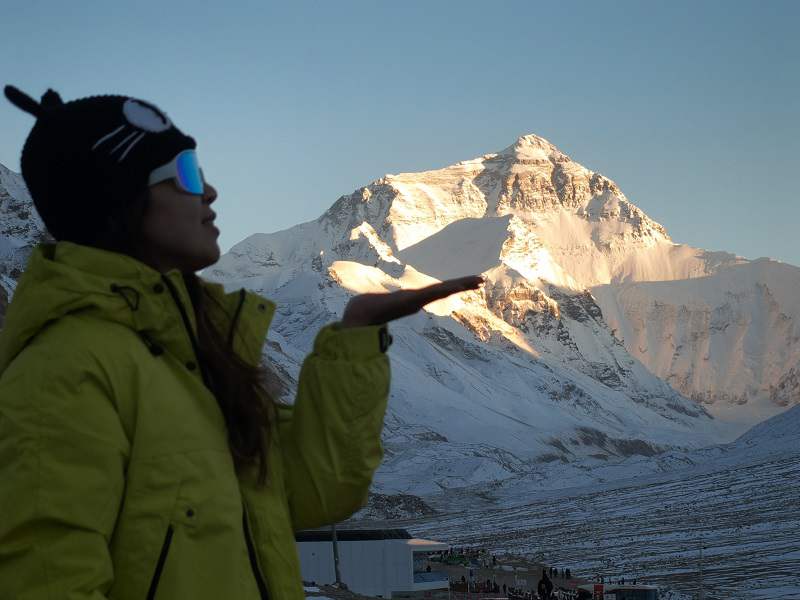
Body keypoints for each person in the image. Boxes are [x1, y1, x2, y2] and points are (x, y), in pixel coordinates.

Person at [0, 86, 483, 599]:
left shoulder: (191, 361)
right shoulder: (68, 371)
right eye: (185, 172)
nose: (209, 192)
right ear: (117, 195)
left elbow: (315, 490)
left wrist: (356, 340)